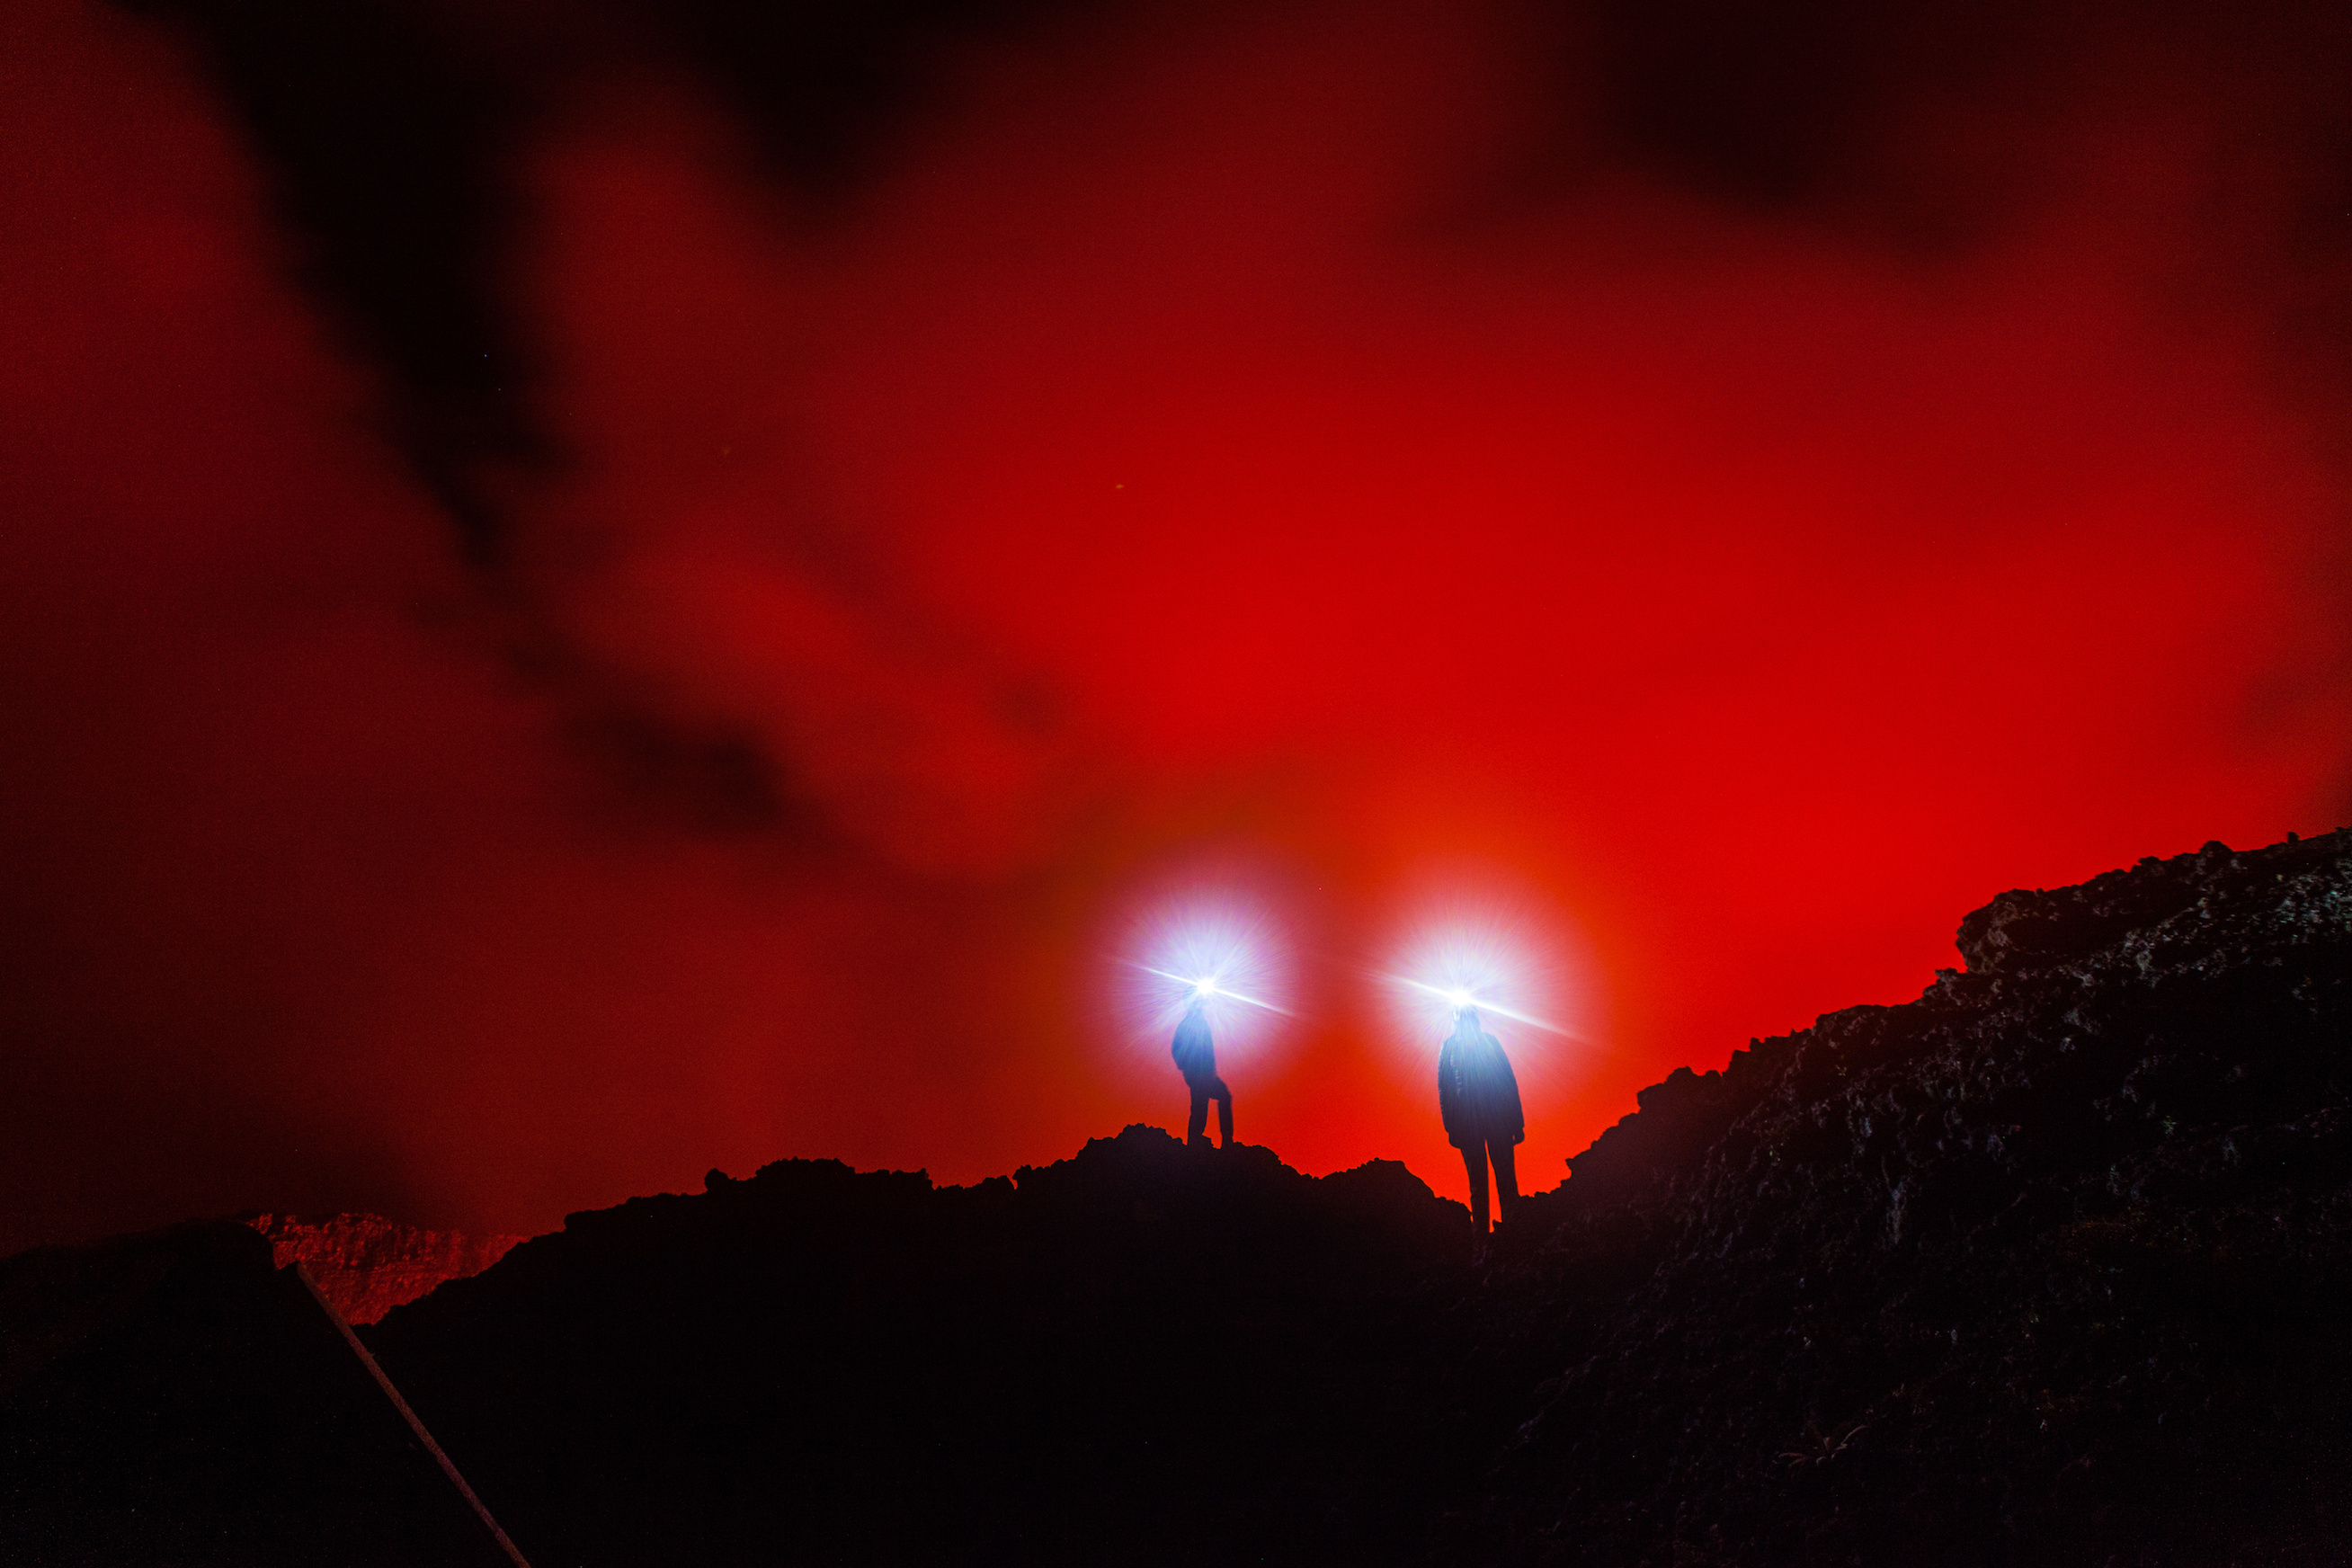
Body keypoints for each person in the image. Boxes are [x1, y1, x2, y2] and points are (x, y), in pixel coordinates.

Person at [1438, 1004, 1522, 1244]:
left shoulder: (1485, 1043)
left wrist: (1517, 1123)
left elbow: (1507, 1081)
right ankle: (1484, 1239)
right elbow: (1445, 1089)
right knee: (1481, 1184)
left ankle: (1509, 1233)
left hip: (1494, 1121)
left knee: (1502, 1178)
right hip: (1476, 1124)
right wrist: (1451, 1127)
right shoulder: (1451, 1047)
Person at [1171, 997, 1234, 1149]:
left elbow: (1207, 1050)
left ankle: (1208, 1141)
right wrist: (1188, 1067)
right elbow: (1177, 1048)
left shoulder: (1200, 1023)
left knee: (1206, 1103)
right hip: (1198, 1074)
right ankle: (1197, 1143)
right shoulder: (1188, 1024)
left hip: (1205, 1074)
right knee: (1201, 1106)